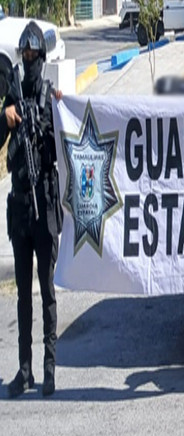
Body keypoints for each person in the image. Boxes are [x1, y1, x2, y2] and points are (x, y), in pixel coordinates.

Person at [2, 21, 63, 398]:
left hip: (45, 205)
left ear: (42, 56)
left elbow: (64, 147)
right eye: (23, 55)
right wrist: (4, 115)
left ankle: (49, 368)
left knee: (48, 293)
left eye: (33, 54)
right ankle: (25, 371)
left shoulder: (48, 96)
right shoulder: (12, 94)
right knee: (23, 295)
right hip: (19, 206)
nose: (28, 59)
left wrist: (51, 118)